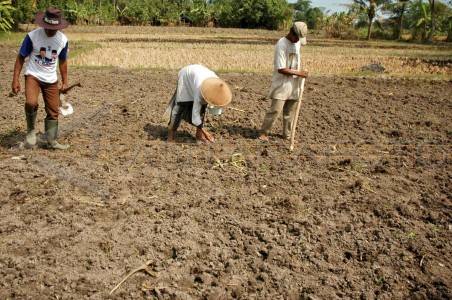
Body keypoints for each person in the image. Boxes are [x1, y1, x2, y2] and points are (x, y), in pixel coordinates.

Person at [11, 7, 70, 150]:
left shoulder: (62, 40)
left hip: (51, 79)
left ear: (58, 26)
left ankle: (51, 140)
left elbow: (62, 61)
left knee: (53, 110)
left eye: (53, 28)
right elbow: (20, 57)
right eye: (47, 27)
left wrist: (65, 81)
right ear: (43, 24)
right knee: (31, 102)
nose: (50, 31)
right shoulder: (32, 36)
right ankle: (31, 133)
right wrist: (15, 79)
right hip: (33, 75)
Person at [258, 22, 309, 142]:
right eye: (297, 37)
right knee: (275, 110)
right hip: (282, 83)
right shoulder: (281, 44)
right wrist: (299, 73)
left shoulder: (297, 44)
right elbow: (281, 69)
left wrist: (300, 73)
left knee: (290, 112)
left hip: (294, 83)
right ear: (292, 33)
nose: (297, 40)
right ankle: (264, 133)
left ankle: (287, 135)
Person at [164, 64, 232, 143]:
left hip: (198, 75)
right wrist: (205, 132)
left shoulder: (218, 85)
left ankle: (199, 135)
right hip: (186, 76)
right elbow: (195, 115)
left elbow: (215, 102)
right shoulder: (199, 91)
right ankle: (170, 136)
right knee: (180, 106)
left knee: (202, 109)